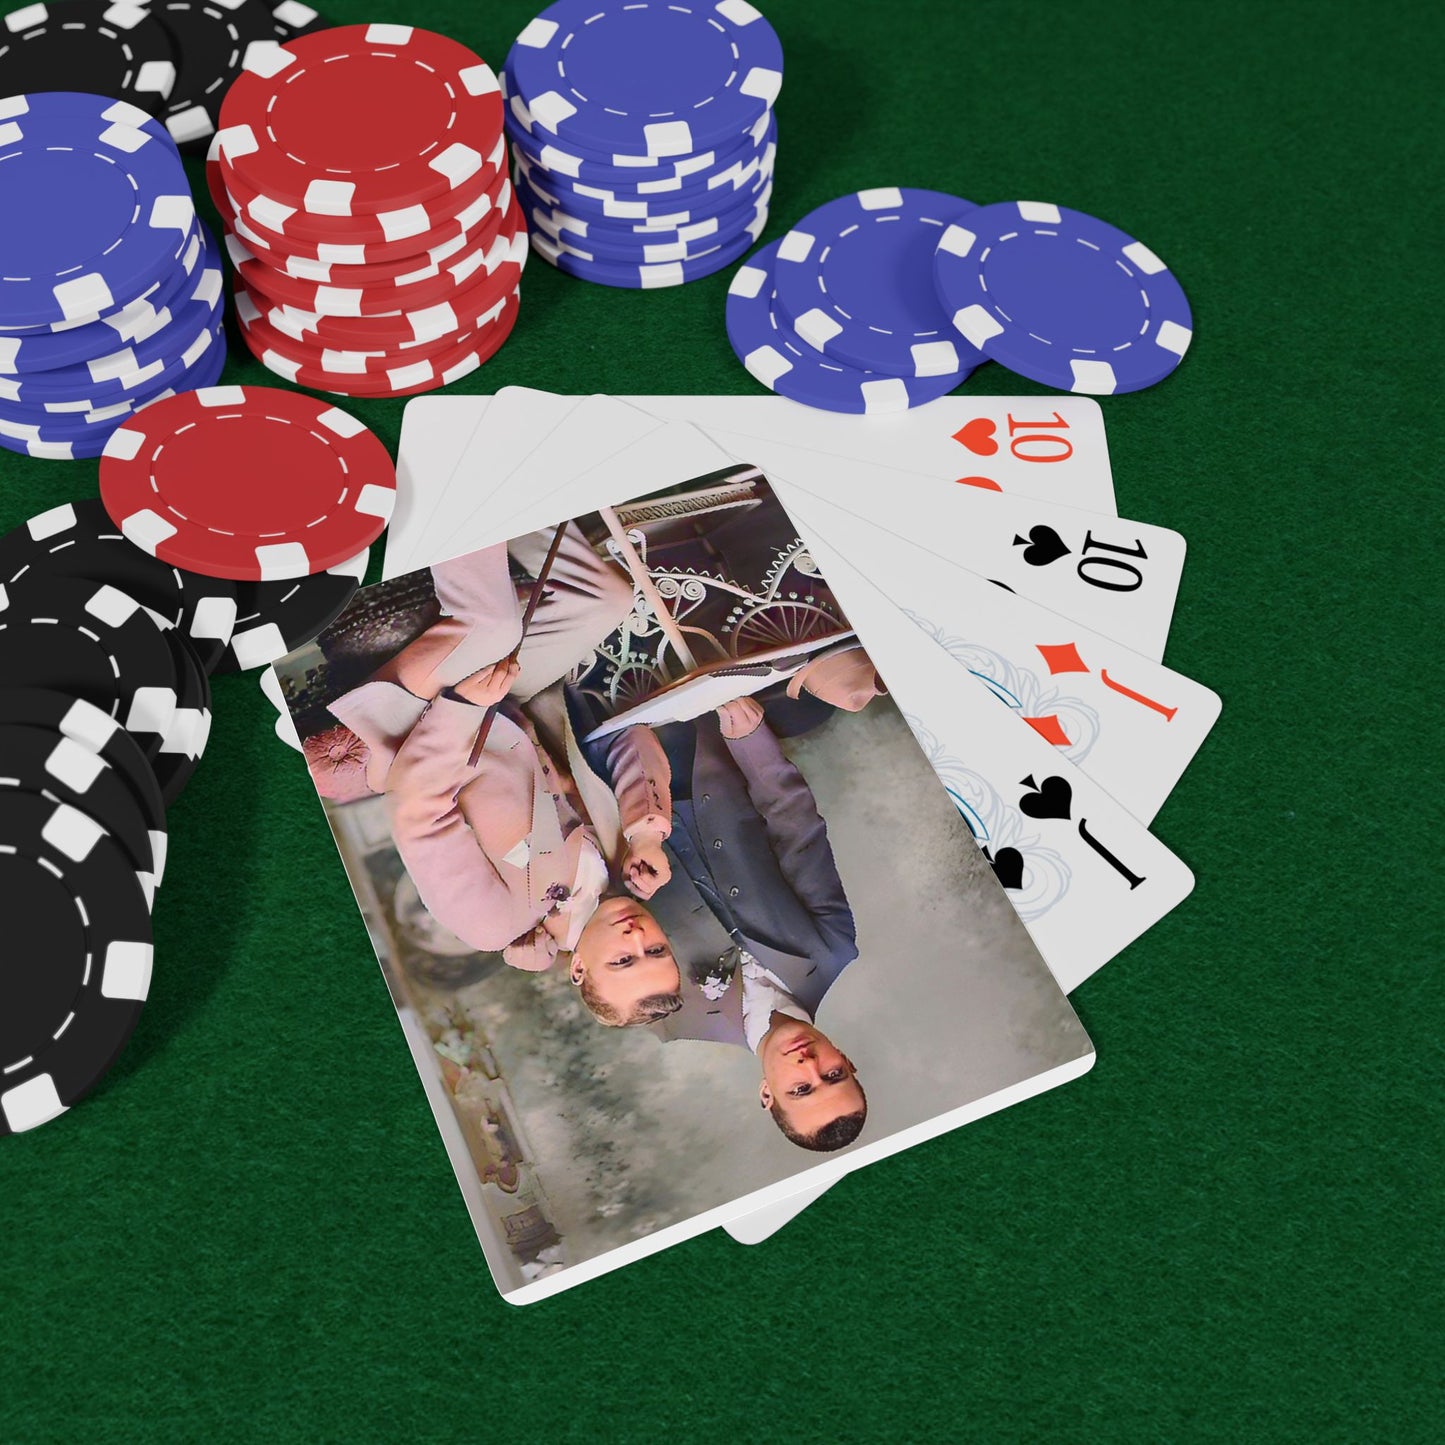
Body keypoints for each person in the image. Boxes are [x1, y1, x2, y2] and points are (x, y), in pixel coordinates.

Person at [326, 534, 674, 970]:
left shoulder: (496, 926)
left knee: (491, 625)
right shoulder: (627, 863)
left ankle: (463, 503)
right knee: (606, 600)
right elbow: (630, 735)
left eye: (623, 961)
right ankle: (514, 508)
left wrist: (462, 708)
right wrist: (646, 832)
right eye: (656, 950)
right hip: (508, 703)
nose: (637, 937)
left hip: (419, 725)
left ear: (579, 971)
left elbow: (416, 812)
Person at [569, 697, 867, 1152]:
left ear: (767, 1095)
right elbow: (796, 825)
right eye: (833, 1074)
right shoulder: (832, 949)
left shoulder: (671, 1017)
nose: (809, 1065)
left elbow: (589, 927)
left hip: (606, 797)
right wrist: (750, 740)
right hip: (700, 757)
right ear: (846, 1061)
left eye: (801, 1089)